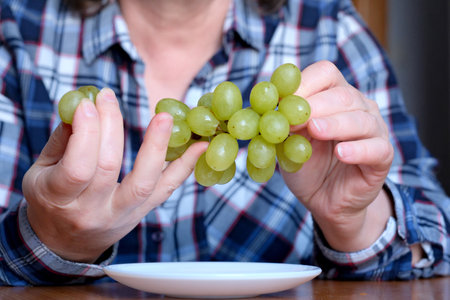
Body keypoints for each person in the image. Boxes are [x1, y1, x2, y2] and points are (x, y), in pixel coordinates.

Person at [0, 0, 448, 286]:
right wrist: (52, 240)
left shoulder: (331, 28)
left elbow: (436, 228)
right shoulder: (16, 31)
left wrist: (358, 222)